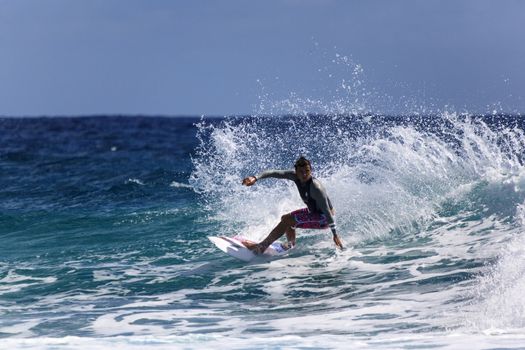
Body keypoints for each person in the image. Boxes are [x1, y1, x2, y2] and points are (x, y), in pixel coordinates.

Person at [241, 156, 344, 254]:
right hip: (313, 212)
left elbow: (327, 211)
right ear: (296, 172)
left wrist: (335, 235)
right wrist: (255, 177)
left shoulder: (316, 188)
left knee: (287, 220)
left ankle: (261, 247)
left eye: (307, 171)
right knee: (285, 218)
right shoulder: (294, 176)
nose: (304, 174)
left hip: (324, 218)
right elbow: (274, 172)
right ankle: (290, 244)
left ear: (311, 170)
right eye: (301, 172)